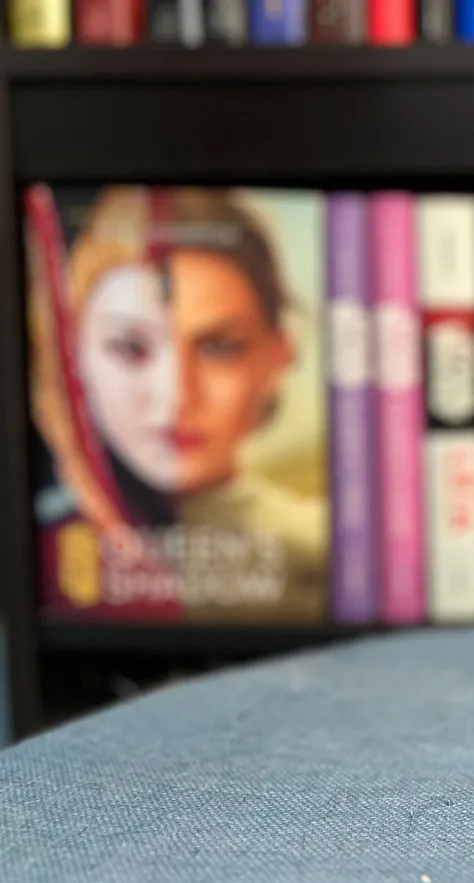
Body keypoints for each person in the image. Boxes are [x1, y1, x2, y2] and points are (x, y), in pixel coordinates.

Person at [28, 187, 325, 622]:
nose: (175, 395)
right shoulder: (44, 547)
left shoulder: (337, 556)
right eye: (130, 348)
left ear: (277, 356)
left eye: (219, 348)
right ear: (70, 359)